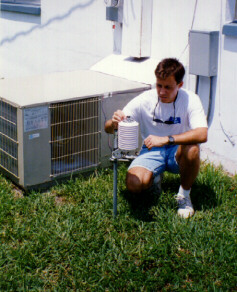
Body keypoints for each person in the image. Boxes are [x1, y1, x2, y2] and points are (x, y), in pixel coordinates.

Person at [105, 58, 208, 218]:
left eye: (168, 87)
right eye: (159, 85)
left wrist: (167, 139)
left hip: (177, 149)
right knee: (134, 185)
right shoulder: (144, 99)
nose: (161, 92)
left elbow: (202, 134)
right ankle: (154, 179)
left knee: (192, 147)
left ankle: (184, 196)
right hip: (151, 149)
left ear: (180, 85)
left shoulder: (190, 99)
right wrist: (114, 122)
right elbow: (108, 129)